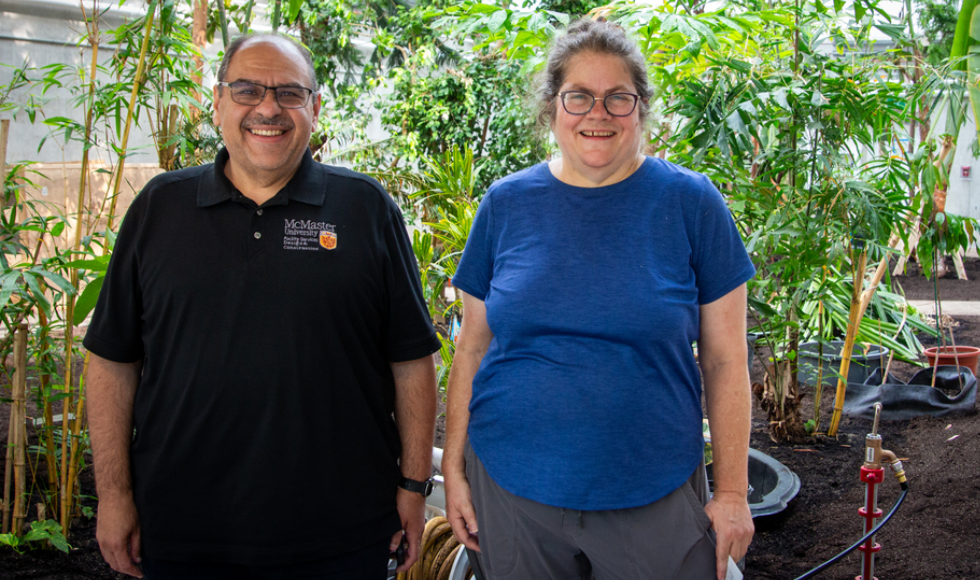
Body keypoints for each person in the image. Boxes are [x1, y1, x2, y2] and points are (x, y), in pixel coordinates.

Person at [84, 33, 440, 580]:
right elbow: (112, 362)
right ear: (219, 103)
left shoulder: (365, 208)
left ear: (315, 108)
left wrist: (414, 487)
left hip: (340, 532)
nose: (268, 108)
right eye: (247, 90)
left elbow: (412, 361)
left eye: (289, 93)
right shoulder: (160, 208)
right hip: (182, 528)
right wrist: (113, 495)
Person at [442, 19, 756, 580]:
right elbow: (472, 348)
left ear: (641, 110)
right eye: (579, 96)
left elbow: (727, 358)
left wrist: (732, 491)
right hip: (513, 487)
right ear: (552, 108)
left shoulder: (691, 203)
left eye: (618, 98)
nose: (598, 113)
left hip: (651, 483)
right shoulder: (506, 203)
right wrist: (457, 468)